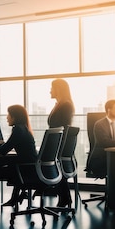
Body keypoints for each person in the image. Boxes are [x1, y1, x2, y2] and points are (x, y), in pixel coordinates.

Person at [47, 78, 74, 208]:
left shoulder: (66, 105)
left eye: (52, 88)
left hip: (58, 145)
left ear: (58, 89)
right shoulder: (60, 104)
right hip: (56, 144)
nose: (50, 91)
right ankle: (65, 198)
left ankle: (64, 198)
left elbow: (62, 127)